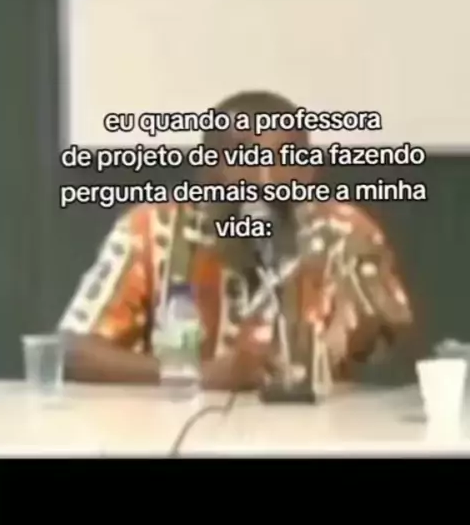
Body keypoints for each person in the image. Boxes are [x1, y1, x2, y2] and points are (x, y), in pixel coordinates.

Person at [58, 90, 415, 390]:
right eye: (244, 157)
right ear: (208, 170)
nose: (266, 178)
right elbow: (71, 351)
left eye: (286, 159)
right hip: (175, 433)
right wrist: (205, 375)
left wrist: (366, 327)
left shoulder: (343, 231)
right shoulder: (151, 229)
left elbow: (387, 341)